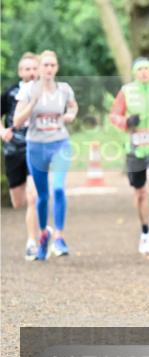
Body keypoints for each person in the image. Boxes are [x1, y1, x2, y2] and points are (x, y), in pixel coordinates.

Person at [13, 50, 79, 260]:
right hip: (36, 146)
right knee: (42, 196)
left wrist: (70, 115)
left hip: (60, 144)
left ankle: (59, 237)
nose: (49, 69)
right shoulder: (28, 91)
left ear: (56, 68)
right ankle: (43, 235)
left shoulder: (64, 89)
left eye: (52, 65)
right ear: (39, 68)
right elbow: (16, 121)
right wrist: (33, 103)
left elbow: (73, 107)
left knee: (58, 188)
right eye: (45, 65)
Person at [109, 57, 149, 254]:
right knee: (140, 193)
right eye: (140, 69)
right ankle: (145, 232)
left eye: (147, 68)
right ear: (134, 73)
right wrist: (127, 122)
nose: (144, 72)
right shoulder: (127, 91)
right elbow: (114, 115)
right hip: (134, 148)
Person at [1, 52, 41, 260]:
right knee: (18, 202)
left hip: (36, 147)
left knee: (33, 197)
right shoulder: (10, 93)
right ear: (20, 72)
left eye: (34, 68)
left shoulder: (45, 91)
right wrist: (2, 132)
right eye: (27, 69)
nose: (31, 72)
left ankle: (32, 242)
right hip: (14, 148)